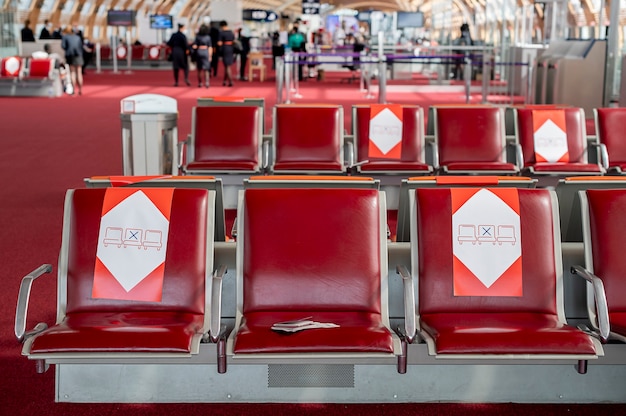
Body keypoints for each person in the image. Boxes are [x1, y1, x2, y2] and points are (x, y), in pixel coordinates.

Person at [61, 26, 84, 95]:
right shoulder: (78, 37)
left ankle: (74, 90)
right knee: (79, 72)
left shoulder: (65, 37)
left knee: (72, 72)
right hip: (78, 55)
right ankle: (80, 90)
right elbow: (81, 46)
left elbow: (63, 46)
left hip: (70, 56)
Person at [192, 24, 212, 88]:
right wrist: (210, 56)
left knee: (199, 69)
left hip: (199, 52)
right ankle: (207, 82)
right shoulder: (208, 37)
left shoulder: (198, 36)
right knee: (206, 69)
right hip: (205, 52)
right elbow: (210, 47)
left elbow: (194, 46)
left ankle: (200, 82)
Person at [217, 20, 235, 87]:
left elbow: (219, 43)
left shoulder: (221, 33)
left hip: (225, 49)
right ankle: (224, 81)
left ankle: (230, 81)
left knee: (227, 66)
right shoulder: (231, 32)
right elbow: (233, 40)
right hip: (231, 49)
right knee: (227, 65)